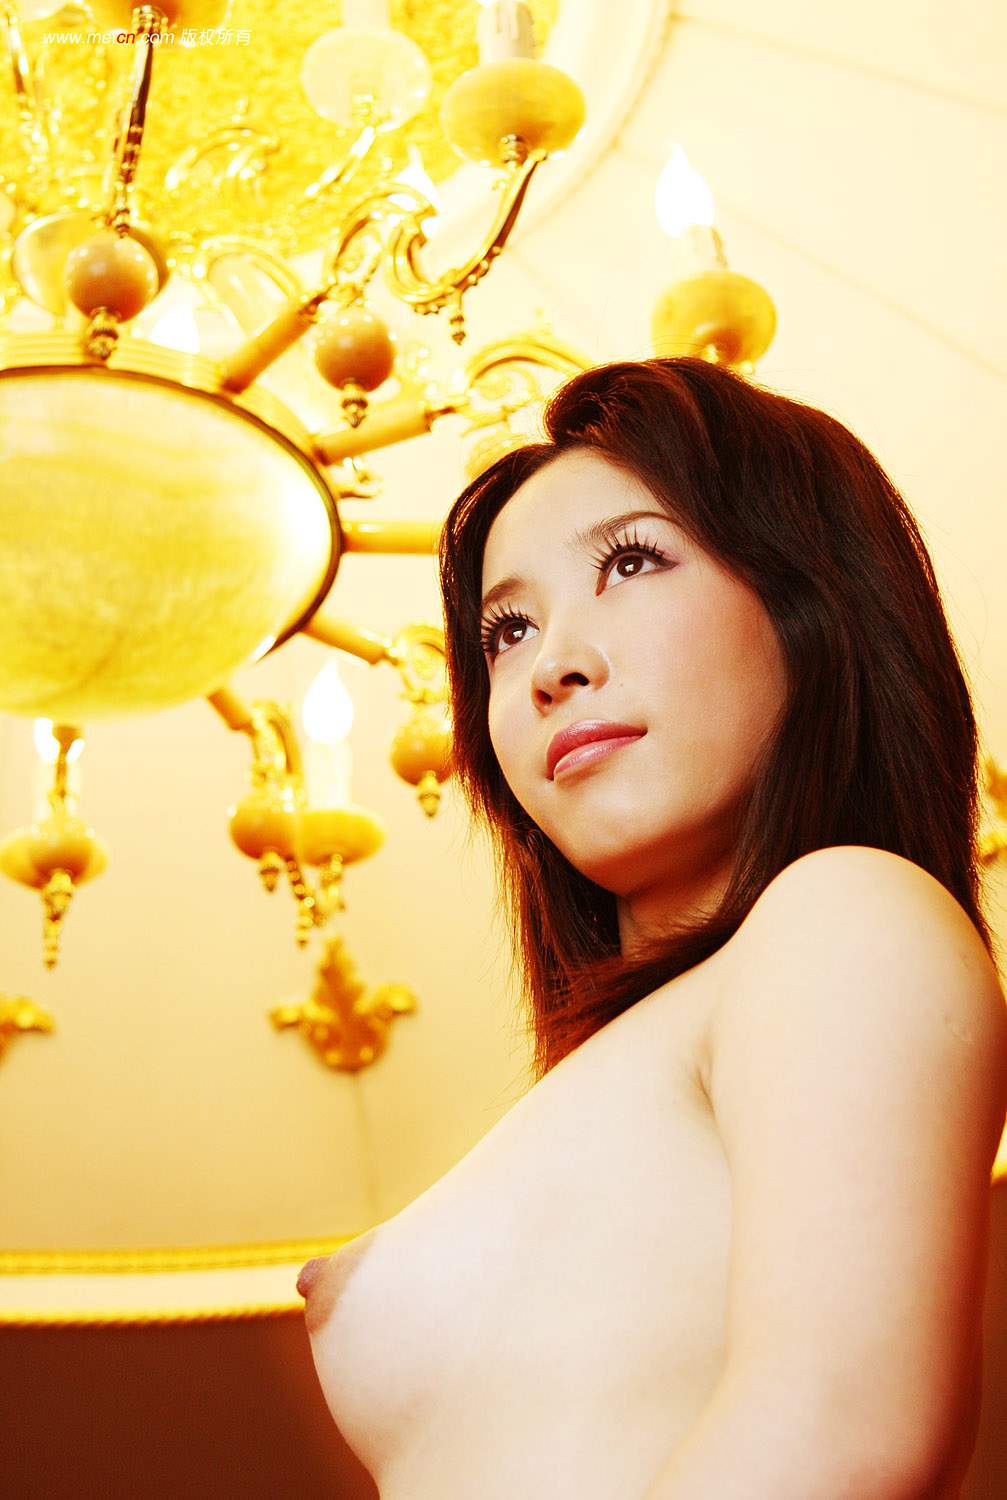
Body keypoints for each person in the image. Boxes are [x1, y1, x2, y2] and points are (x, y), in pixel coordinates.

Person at [297, 357, 1007, 1499]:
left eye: (629, 562)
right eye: (504, 631)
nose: (549, 666)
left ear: (813, 603)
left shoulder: (844, 912)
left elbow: (841, 1438)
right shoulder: (669, 1036)